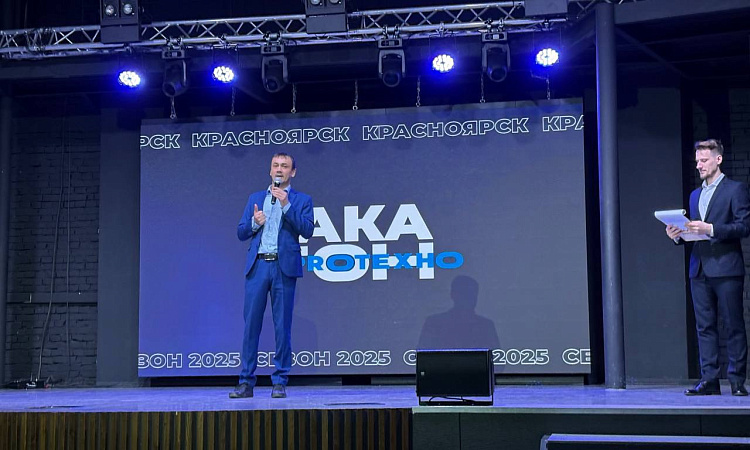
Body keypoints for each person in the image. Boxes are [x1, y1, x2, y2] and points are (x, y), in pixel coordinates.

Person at [666, 139, 750, 396]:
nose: (699, 165)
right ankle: (709, 380)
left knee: (733, 325)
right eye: (697, 161)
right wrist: (678, 235)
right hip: (699, 268)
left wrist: (711, 228)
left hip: (727, 268)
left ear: (718, 159)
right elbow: (695, 232)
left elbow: (744, 226)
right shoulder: (695, 195)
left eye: (704, 160)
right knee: (704, 327)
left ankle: (737, 381)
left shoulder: (735, 190)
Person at [230, 153, 314, 399]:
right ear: (270, 171)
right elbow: (241, 232)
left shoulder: (302, 200)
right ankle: (246, 382)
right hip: (258, 266)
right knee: (251, 325)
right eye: (275, 165)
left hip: (283, 267)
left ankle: (279, 381)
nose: (279, 170)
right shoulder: (255, 198)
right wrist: (255, 223)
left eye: (284, 166)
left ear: (292, 172)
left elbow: (307, 230)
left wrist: (286, 205)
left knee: (282, 326)